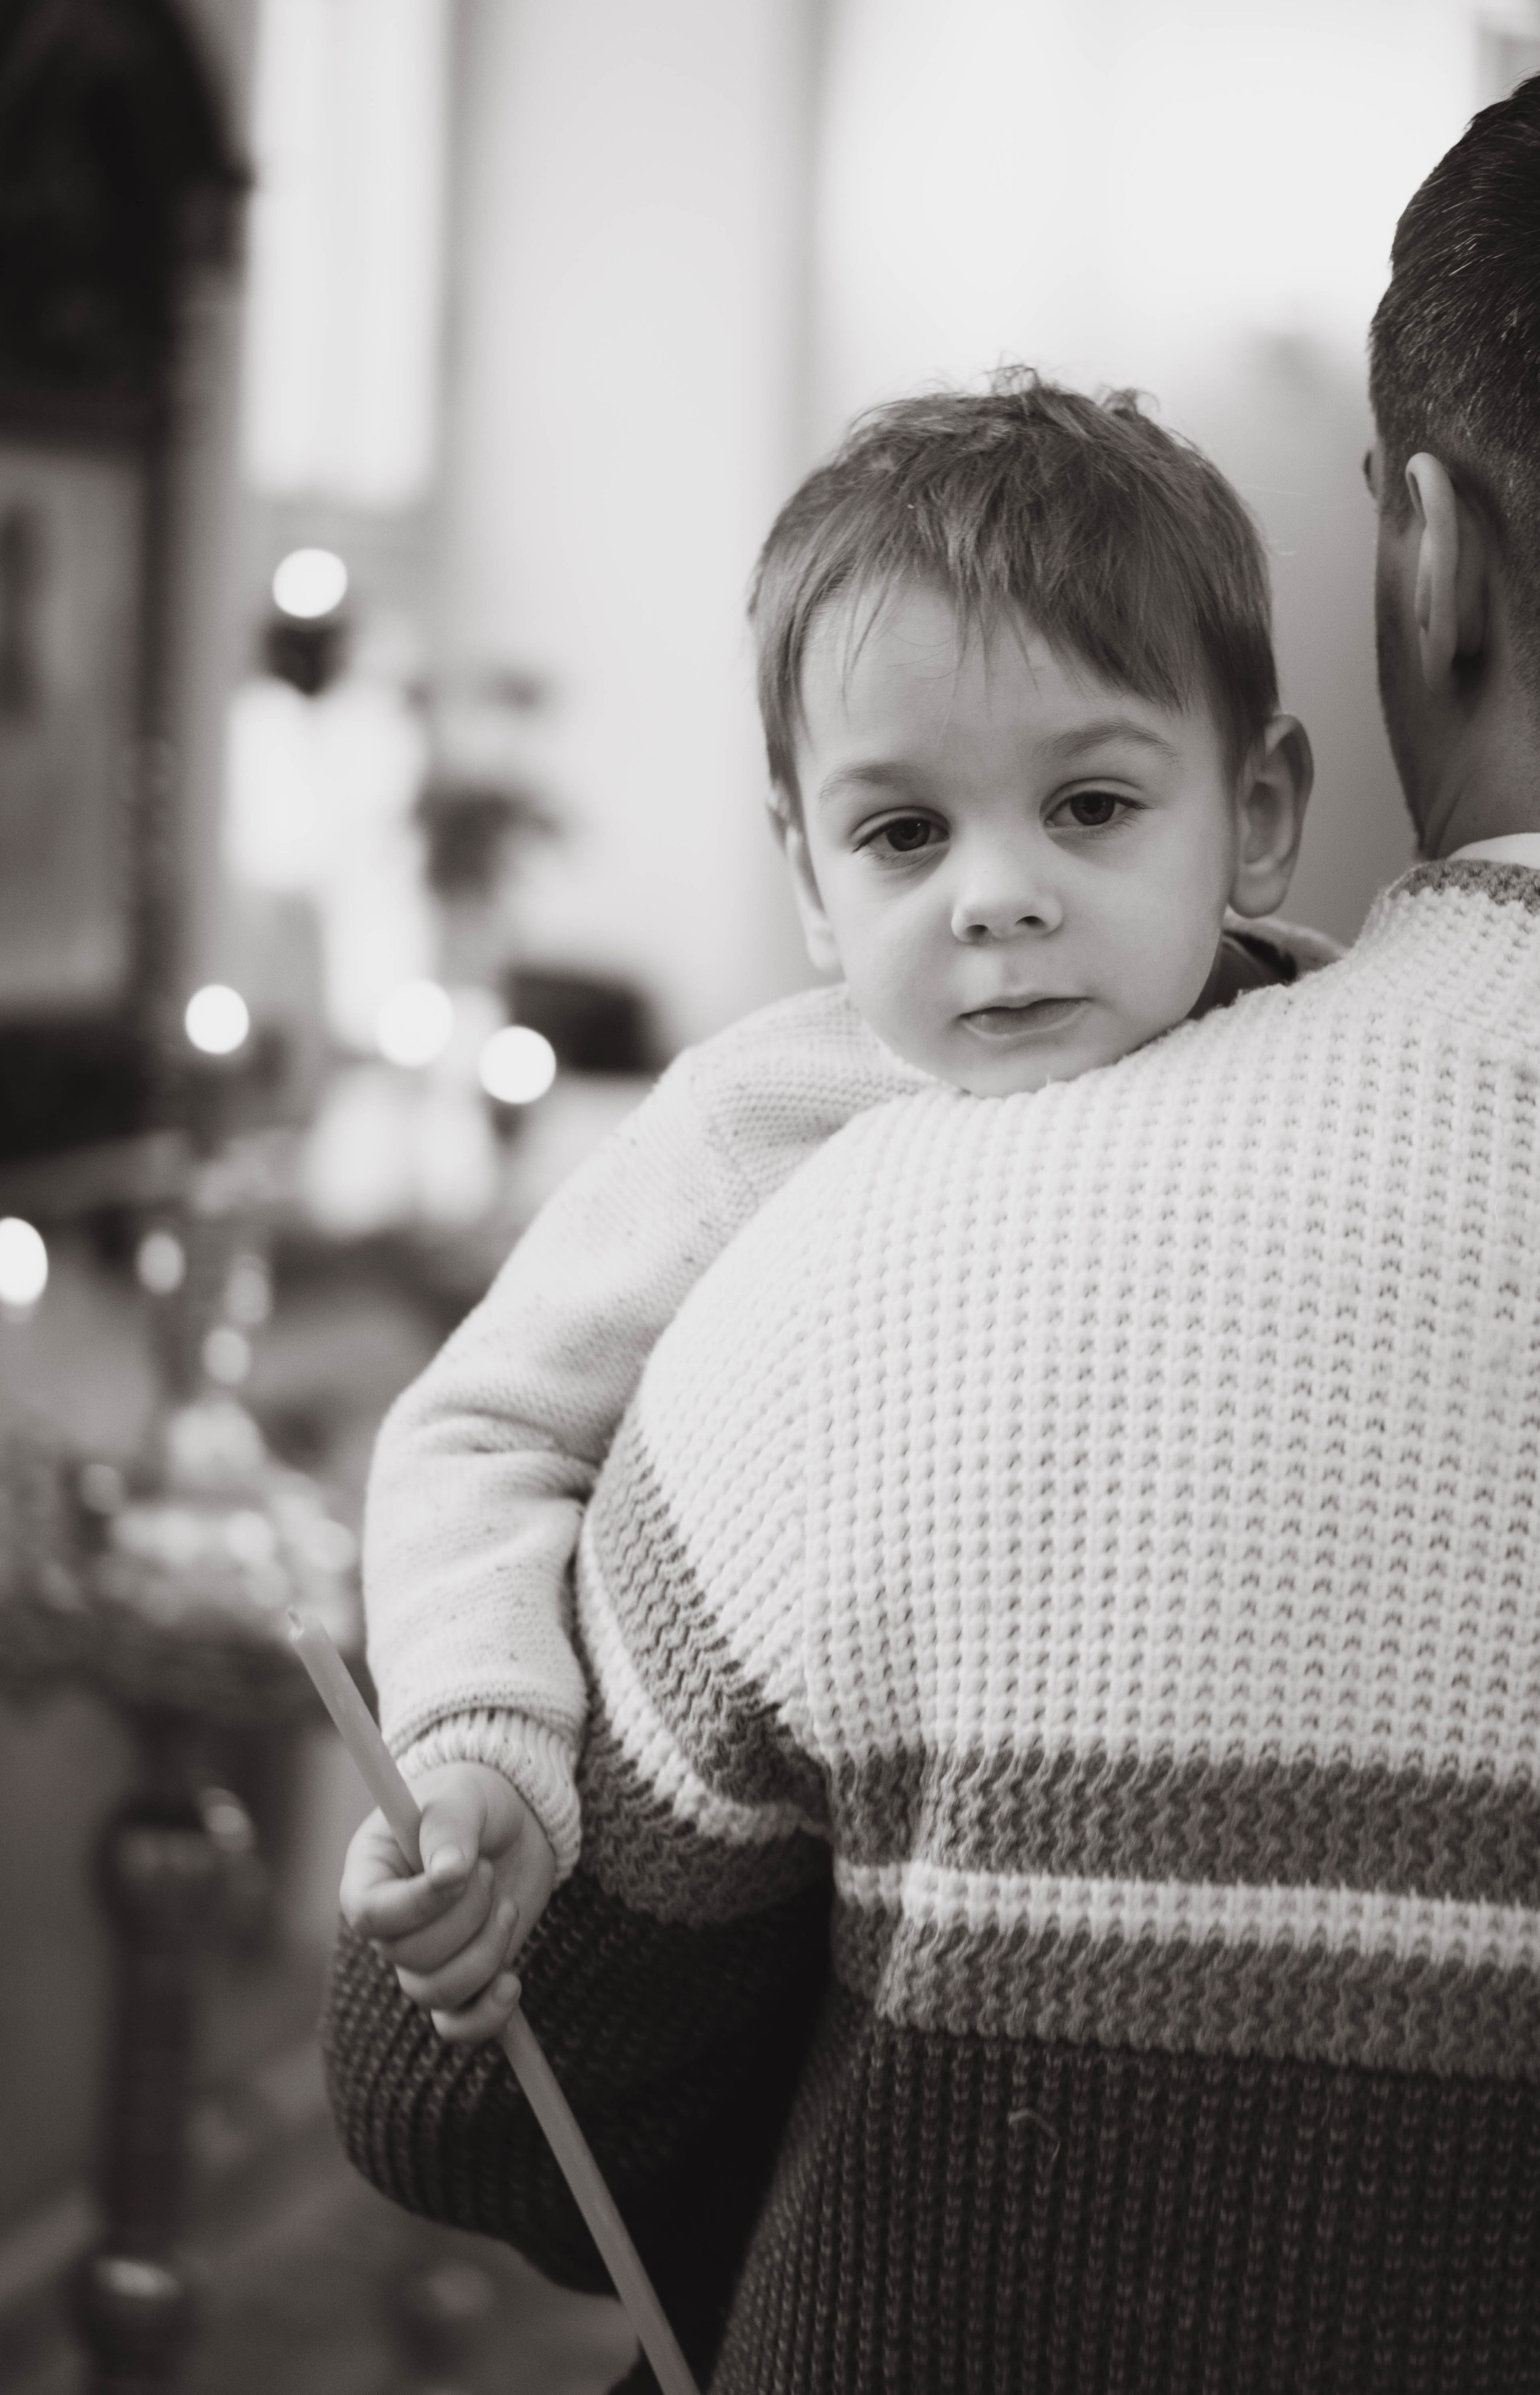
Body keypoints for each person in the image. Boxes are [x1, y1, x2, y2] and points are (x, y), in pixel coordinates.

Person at [339, 376, 1327, 2054]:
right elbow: (480, 1426)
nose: (997, 894)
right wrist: (482, 1738)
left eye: (1091, 806)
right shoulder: (760, 1115)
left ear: (1258, 813)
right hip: (842, 1903)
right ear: (811, 879)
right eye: (902, 832)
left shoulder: (1345, 1067)